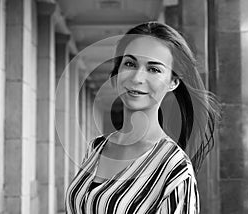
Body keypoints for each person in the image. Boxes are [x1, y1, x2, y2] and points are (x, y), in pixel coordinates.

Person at [65, 22, 219, 214]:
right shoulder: (96, 147)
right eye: (130, 64)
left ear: (173, 82)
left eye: (154, 69)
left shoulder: (174, 169)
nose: (137, 77)